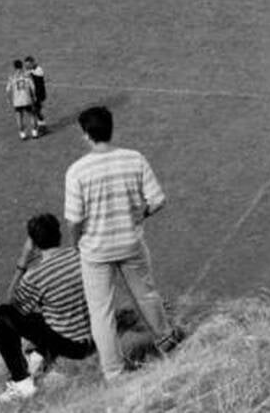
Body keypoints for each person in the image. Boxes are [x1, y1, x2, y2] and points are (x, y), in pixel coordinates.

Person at [65, 106, 180, 381]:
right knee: (146, 294)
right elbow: (158, 199)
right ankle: (166, 340)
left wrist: (75, 244)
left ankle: (114, 371)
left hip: (95, 249)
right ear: (110, 129)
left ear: (86, 134)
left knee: (101, 310)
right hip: (130, 242)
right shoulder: (134, 159)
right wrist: (142, 214)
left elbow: (74, 219)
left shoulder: (77, 171)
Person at [0, 213, 94, 402]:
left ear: (34, 243)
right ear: (59, 234)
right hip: (94, 336)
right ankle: (40, 355)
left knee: (1, 315)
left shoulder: (35, 275)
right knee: (50, 311)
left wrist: (23, 259)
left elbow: (11, 303)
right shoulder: (80, 254)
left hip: (71, 346)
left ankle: (22, 382)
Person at [7, 59, 40, 141]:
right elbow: (33, 87)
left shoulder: (12, 77)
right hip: (27, 99)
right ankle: (34, 133)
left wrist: (8, 99)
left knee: (19, 118)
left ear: (14, 67)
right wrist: (34, 96)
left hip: (17, 101)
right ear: (22, 66)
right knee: (32, 115)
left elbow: (8, 89)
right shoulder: (27, 75)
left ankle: (23, 135)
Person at [25, 56, 48, 133]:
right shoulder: (31, 70)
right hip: (34, 94)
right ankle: (41, 125)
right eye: (26, 65)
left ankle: (42, 127)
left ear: (32, 62)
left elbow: (36, 76)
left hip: (39, 94)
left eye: (28, 64)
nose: (27, 66)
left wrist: (29, 73)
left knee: (37, 110)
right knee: (36, 110)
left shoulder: (39, 69)